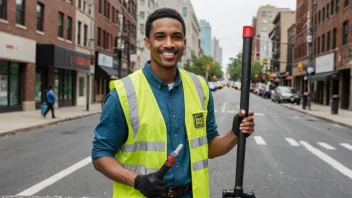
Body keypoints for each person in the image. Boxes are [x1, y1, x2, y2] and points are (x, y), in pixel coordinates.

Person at [91, 8, 255, 198]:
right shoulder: (123, 93)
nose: (169, 44)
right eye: (160, 37)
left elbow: (208, 148)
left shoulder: (200, 87)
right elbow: (100, 155)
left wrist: (235, 133)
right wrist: (137, 181)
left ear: (184, 43)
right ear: (147, 42)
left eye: (176, 37)